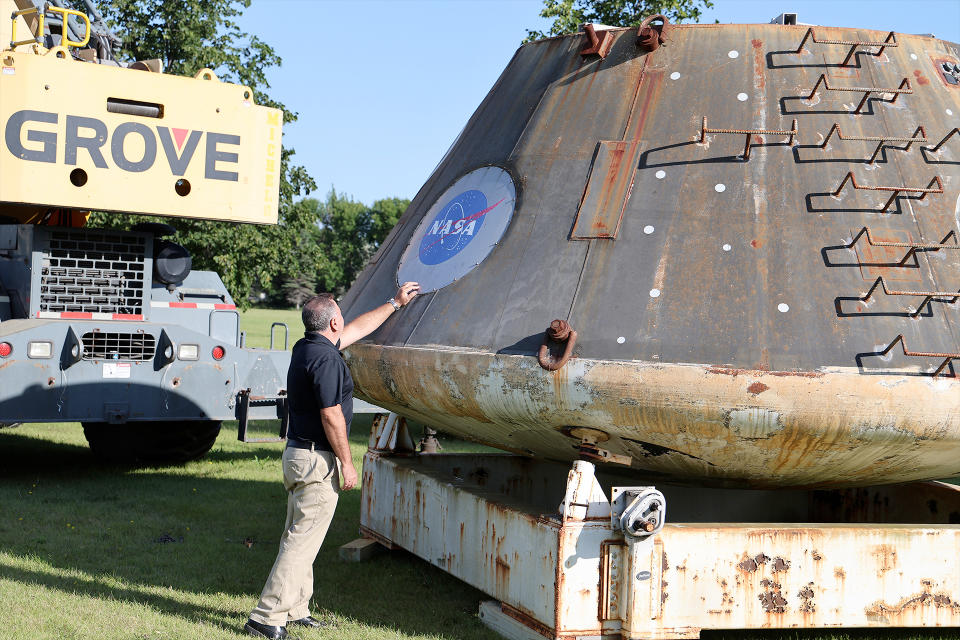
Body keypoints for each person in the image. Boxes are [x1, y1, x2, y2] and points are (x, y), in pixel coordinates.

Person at [244, 282, 420, 639]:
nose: (346, 319)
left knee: (300, 535)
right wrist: (348, 462)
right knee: (300, 541)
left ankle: (295, 608)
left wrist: (394, 303)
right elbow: (332, 415)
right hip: (316, 460)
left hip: (297, 455)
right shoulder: (326, 359)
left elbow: (358, 328)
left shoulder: (307, 346)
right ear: (333, 323)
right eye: (341, 314)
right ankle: (266, 616)